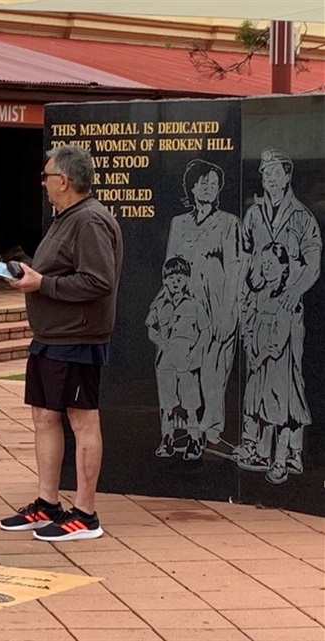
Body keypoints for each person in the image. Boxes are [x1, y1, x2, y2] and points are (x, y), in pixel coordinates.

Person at [0, 144, 123, 542]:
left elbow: (98, 281)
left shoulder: (90, 221)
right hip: (51, 337)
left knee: (82, 420)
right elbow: (61, 270)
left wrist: (42, 283)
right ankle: (47, 503)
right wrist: (32, 275)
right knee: (44, 417)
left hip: (77, 338)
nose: (43, 184)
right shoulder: (65, 217)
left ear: (64, 181)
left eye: (46, 176)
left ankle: (86, 514)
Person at [236, 147, 320, 481]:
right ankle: (259, 446)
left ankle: (292, 453)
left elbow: (313, 262)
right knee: (258, 379)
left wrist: (295, 290)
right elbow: (245, 256)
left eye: (275, 173)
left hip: (287, 307)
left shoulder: (302, 217)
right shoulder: (254, 216)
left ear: (287, 176)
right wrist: (244, 297)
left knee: (286, 381)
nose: (270, 180)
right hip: (259, 305)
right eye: (265, 174)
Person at [162, 159, 242, 459]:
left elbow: (234, 268)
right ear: (192, 187)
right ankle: (189, 430)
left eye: (213, 182)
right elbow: (169, 266)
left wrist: (226, 311)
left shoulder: (229, 223)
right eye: (203, 181)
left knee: (213, 372)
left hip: (217, 306)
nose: (209, 186)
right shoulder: (178, 223)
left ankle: (213, 433)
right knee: (185, 372)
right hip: (186, 309)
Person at [145, 256, 207, 459]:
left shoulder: (195, 305)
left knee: (190, 405)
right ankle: (167, 440)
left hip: (187, 362)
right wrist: (161, 343)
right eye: (171, 277)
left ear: (187, 279)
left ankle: (194, 441)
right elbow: (150, 329)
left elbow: (205, 331)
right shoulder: (160, 305)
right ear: (164, 280)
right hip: (166, 363)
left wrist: (196, 350)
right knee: (167, 405)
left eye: (180, 276)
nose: (176, 281)